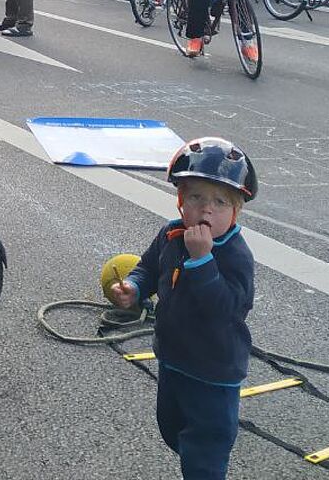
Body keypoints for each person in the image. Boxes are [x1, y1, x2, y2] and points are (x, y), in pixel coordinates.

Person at [109, 138, 257, 480]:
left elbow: (226, 310)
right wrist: (133, 287)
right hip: (173, 360)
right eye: (196, 198)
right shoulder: (172, 234)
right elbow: (149, 268)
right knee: (172, 429)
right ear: (181, 201)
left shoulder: (236, 256)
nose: (207, 210)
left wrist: (202, 260)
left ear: (236, 210)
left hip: (213, 374)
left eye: (220, 202)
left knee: (204, 451)